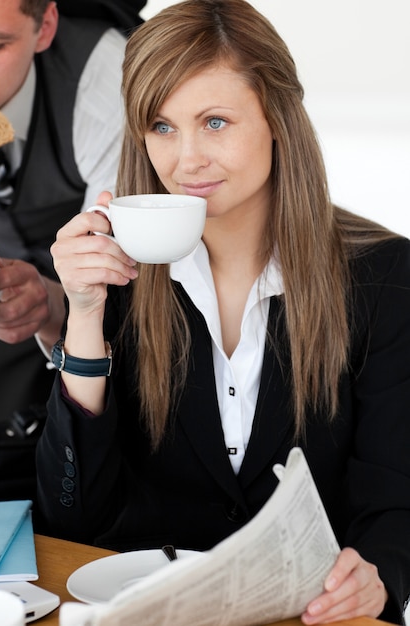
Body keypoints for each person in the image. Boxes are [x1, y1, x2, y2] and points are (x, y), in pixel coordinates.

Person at [36, 0, 410, 623]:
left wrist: (377, 575)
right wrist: (82, 315)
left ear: (278, 120)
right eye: (161, 126)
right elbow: (73, 520)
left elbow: (395, 497)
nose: (186, 160)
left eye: (214, 122)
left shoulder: (385, 277)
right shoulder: (120, 279)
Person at [0, 0, 145, 424]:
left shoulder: (106, 80)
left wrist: (57, 305)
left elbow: (115, 257)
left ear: (45, 26)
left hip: (108, 275)